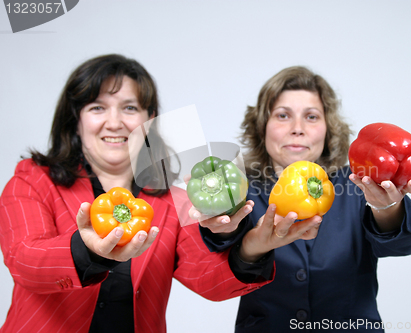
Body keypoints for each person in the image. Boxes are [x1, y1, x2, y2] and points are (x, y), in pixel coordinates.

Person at [0, 55, 321, 333]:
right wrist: (88, 251)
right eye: (98, 107)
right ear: (76, 120)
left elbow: (210, 279)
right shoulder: (34, 179)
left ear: (148, 121)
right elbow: (24, 260)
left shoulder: (170, 200)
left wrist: (253, 247)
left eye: (129, 108)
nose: (115, 122)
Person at [196, 66, 411, 332]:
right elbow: (227, 267)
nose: (298, 129)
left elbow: (406, 245)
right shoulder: (240, 188)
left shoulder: (359, 182)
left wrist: (386, 206)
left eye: (312, 117)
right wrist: (241, 236)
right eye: (283, 115)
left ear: (328, 128)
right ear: (262, 126)